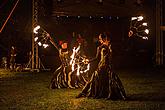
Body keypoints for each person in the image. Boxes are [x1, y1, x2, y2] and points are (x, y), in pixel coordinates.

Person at [76, 33, 126, 100]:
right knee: (94, 78)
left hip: (108, 66)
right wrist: (88, 61)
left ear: (104, 39)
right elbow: (97, 58)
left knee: (110, 80)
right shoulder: (99, 47)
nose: (100, 40)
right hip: (101, 65)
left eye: (100, 39)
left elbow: (112, 56)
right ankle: (83, 92)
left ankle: (108, 93)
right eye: (99, 39)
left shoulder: (110, 46)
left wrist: (111, 65)